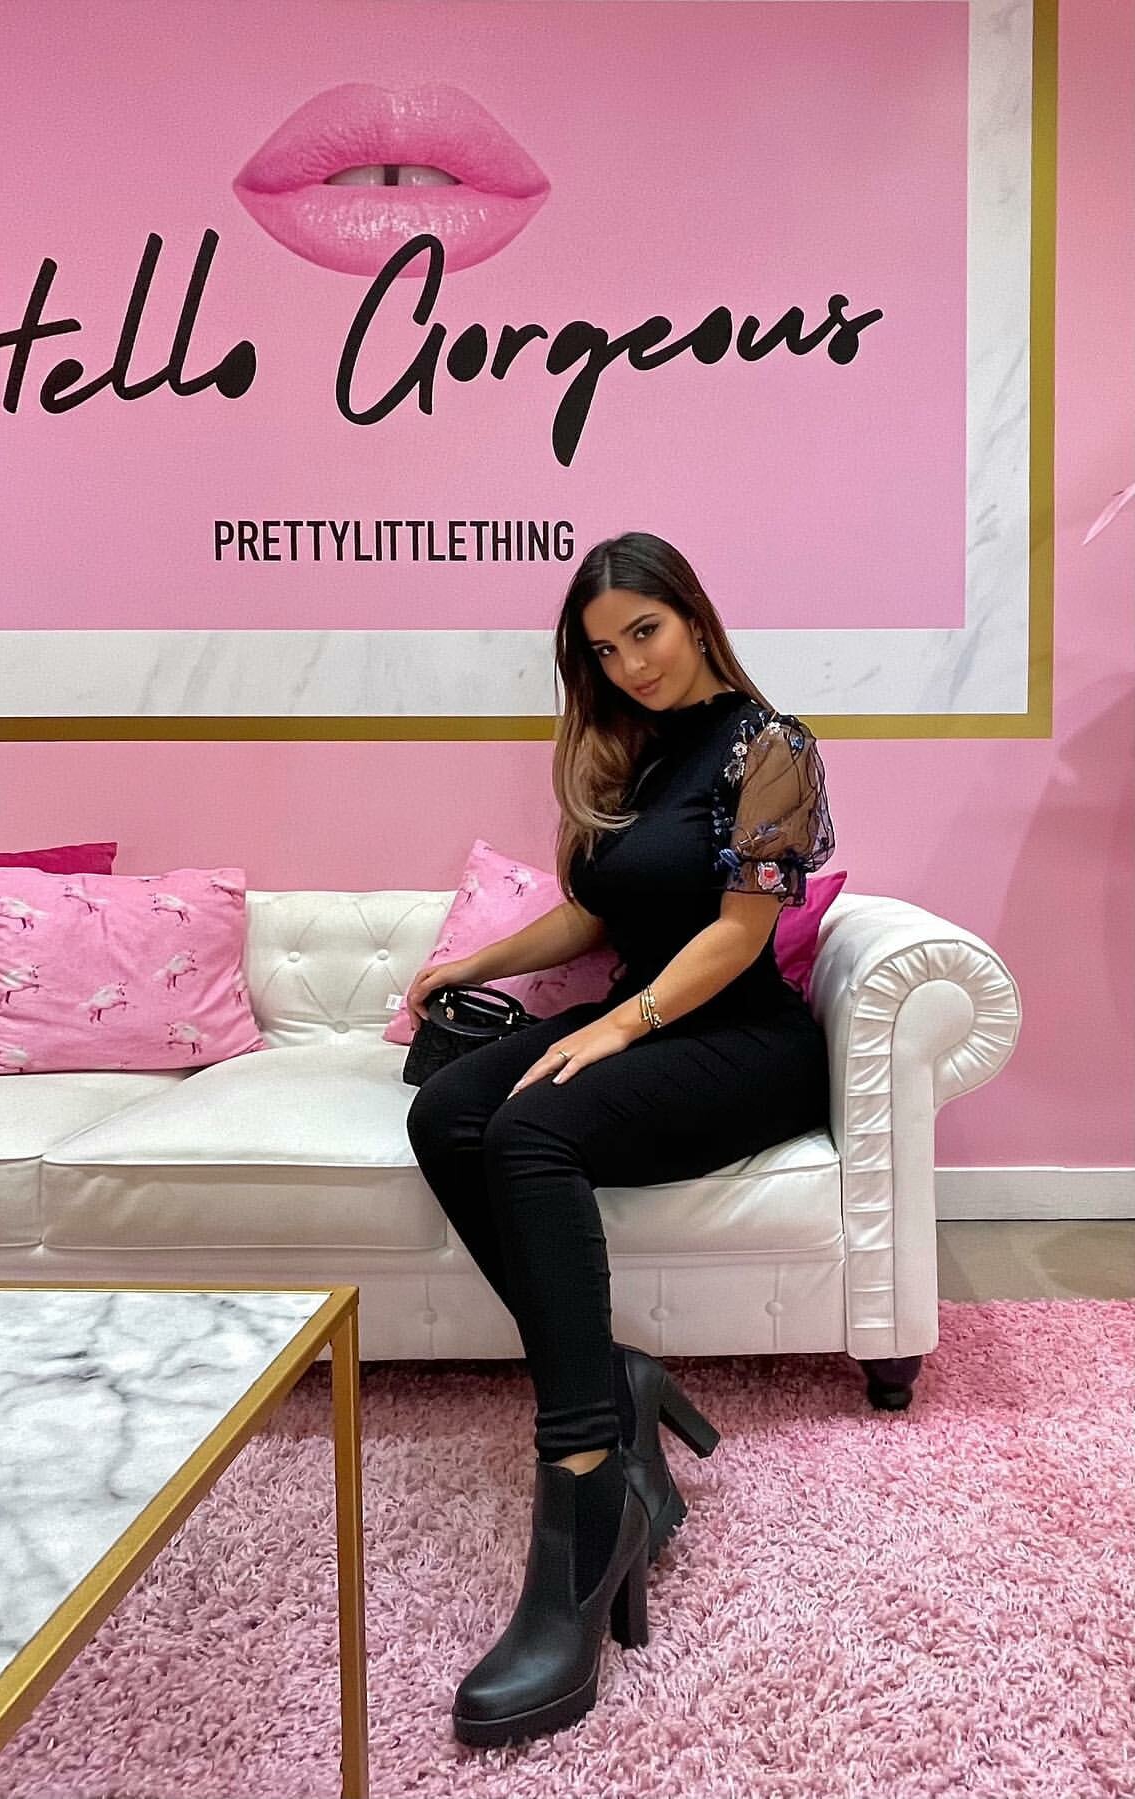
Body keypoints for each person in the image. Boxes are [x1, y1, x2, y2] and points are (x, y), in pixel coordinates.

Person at [404, 531, 836, 1749]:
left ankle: (589, 1491)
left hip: (742, 1041)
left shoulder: (770, 744)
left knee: (530, 1130)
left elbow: (741, 932)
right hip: (644, 1018)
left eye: (644, 631)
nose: (632, 664)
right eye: (604, 650)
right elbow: (597, 914)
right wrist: (475, 961)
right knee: (447, 1112)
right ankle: (614, 1377)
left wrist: (620, 1024)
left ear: (692, 615)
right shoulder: (635, 752)